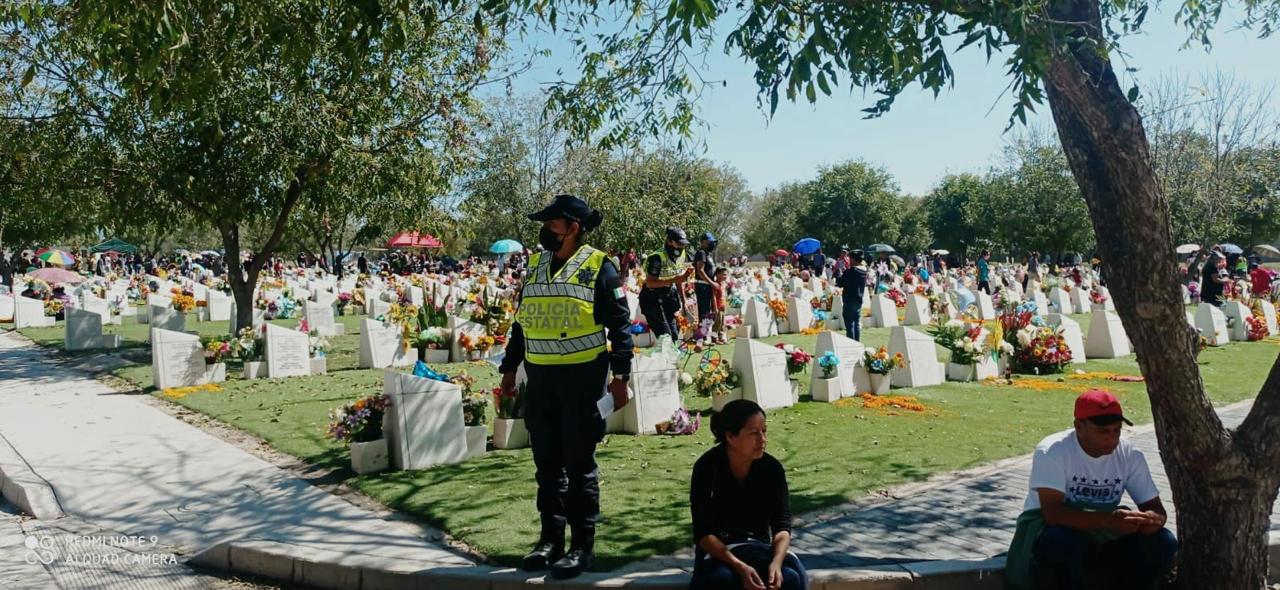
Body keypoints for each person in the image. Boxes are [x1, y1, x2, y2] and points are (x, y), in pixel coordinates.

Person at [498, 194, 634, 580]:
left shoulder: (600, 267)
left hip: (582, 379)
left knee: (578, 464)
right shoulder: (537, 265)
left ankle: (581, 546)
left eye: (551, 224)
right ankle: (549, 541)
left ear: (572, 227)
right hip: (541, 381)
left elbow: (620, 328)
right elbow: (523, 323)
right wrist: (510, 368)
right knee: (546, 464)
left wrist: (620, 378)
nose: (545, 231)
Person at [1005, 390, 1177, 590]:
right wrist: (1109, 521)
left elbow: (1155, 508)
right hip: (1057, 528)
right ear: (1079, 426)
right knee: (1060, 542)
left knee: (1163, 542)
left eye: (1116, 430)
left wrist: (1151, 520)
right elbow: (1053, 514)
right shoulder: (1052, 451)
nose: (1111, 439)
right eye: (1103, 431)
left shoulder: (1130, 454)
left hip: (1106, 530)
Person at [689, 400, 806, 590]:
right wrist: (740, 567)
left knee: (790, 578)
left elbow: (782, 527)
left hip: (759, 549)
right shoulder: (708, 467)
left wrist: (776, 563)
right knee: (720, 581)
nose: (762, 439)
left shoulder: (772, 469)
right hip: (719, 552)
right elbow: (703, 533)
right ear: (730, 436)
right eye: (754, 433)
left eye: (764, 431)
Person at [639, 227, 694, 343]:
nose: (681, 247)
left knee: (674, 336)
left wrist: (684, 302)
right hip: (652, 298)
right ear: (669, 241)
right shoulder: (657, 258)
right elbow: (650, 283)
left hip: (668, 297)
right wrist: (674, 279)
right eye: (678, 244)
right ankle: (663, 360)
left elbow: (679, 279)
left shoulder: (682, 255)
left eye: (684, 245)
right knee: (666, 338)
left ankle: (669, 360)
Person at [836, 250, 868, 341]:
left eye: (850, 258)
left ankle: (851, 343)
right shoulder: (864, 271)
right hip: (858, 299)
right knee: (856, 323)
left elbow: (841, 283)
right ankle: (857, 342)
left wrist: (839, 274)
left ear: (853, 259)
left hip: (849, 299)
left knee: (849, 324)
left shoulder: (851, 271)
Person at [692, 232, 719, 339]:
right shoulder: (701, 253)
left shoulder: (708, 254)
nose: (712, 244)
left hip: (709, 286)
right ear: (703, 242)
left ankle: (705, 334)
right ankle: (701, 337)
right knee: (705, 312)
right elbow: (700, 271)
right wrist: (712, 283)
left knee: (710, 312)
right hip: (703, 286)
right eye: (709, 242)